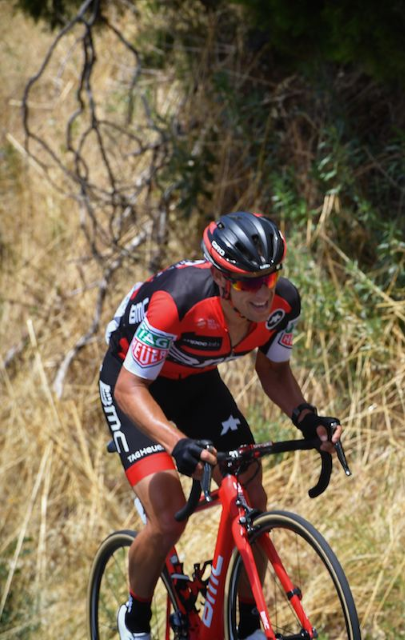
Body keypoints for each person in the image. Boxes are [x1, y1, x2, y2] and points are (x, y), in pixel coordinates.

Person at [98, 211, 343, 640]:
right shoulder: (177, 302)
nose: (262, 292)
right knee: (169, 515)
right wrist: (176, 444)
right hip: (134, 382)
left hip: (194, 380)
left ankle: (248, 623)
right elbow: (130, 388)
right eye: (248, 282)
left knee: (251, 491)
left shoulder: (283, 305)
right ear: (219, 277)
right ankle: (134, 620)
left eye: (269, 278)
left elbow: (274, 372)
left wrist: (305, 416)